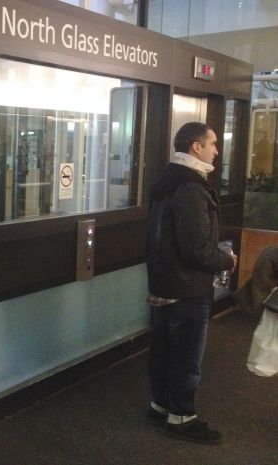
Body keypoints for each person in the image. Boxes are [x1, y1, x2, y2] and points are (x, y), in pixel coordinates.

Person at [146, 122, 237, 444]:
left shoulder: (165, 182)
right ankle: (182, 417)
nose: (216, 150)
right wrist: (226, 260)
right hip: (187, 288)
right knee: (185, 357)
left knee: (162, 352)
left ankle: (160, 406)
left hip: (161, 283)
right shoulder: (192, 188)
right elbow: (196, 248)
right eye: (212, 144)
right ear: (196, 147)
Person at [234, 244, 278, 320]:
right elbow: (264, 281)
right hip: (265, 287)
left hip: (262, 282)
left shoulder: (272, 250)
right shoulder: (272, 254)